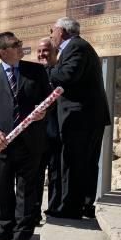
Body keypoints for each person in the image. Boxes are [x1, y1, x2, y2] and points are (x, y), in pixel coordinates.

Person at [0, 32, 52, 240]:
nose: (21, 47)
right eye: (16, 44)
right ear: (3, 51)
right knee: (2, 186)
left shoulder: (36, 71)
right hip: (2, 143)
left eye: (19, 43)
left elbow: (48, 100)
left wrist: (43, 112)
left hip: (31, 141)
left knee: (27, 189)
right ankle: (5, 227)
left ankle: (22, 235)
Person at [48, 17, 111, 219]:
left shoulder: (75, 47)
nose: (51, 35)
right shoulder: (77, 47)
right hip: (86, 117)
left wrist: (49, 67)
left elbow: (66, 77)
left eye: (53, 31)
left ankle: (70, 207)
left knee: (75, 162)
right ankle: (83, 203)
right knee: (84, 162)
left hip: (80, 118)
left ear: (63, 32)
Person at [35, 37, 62, 223]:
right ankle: (32, 213)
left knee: (55, 174)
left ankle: (53, 211)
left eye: (46, 51)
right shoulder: (35, 73)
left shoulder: (61, 73)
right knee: (34, 175)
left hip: (57, 132)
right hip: (37, 134)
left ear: (55, 52)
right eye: (39, 51)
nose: (41, 54)